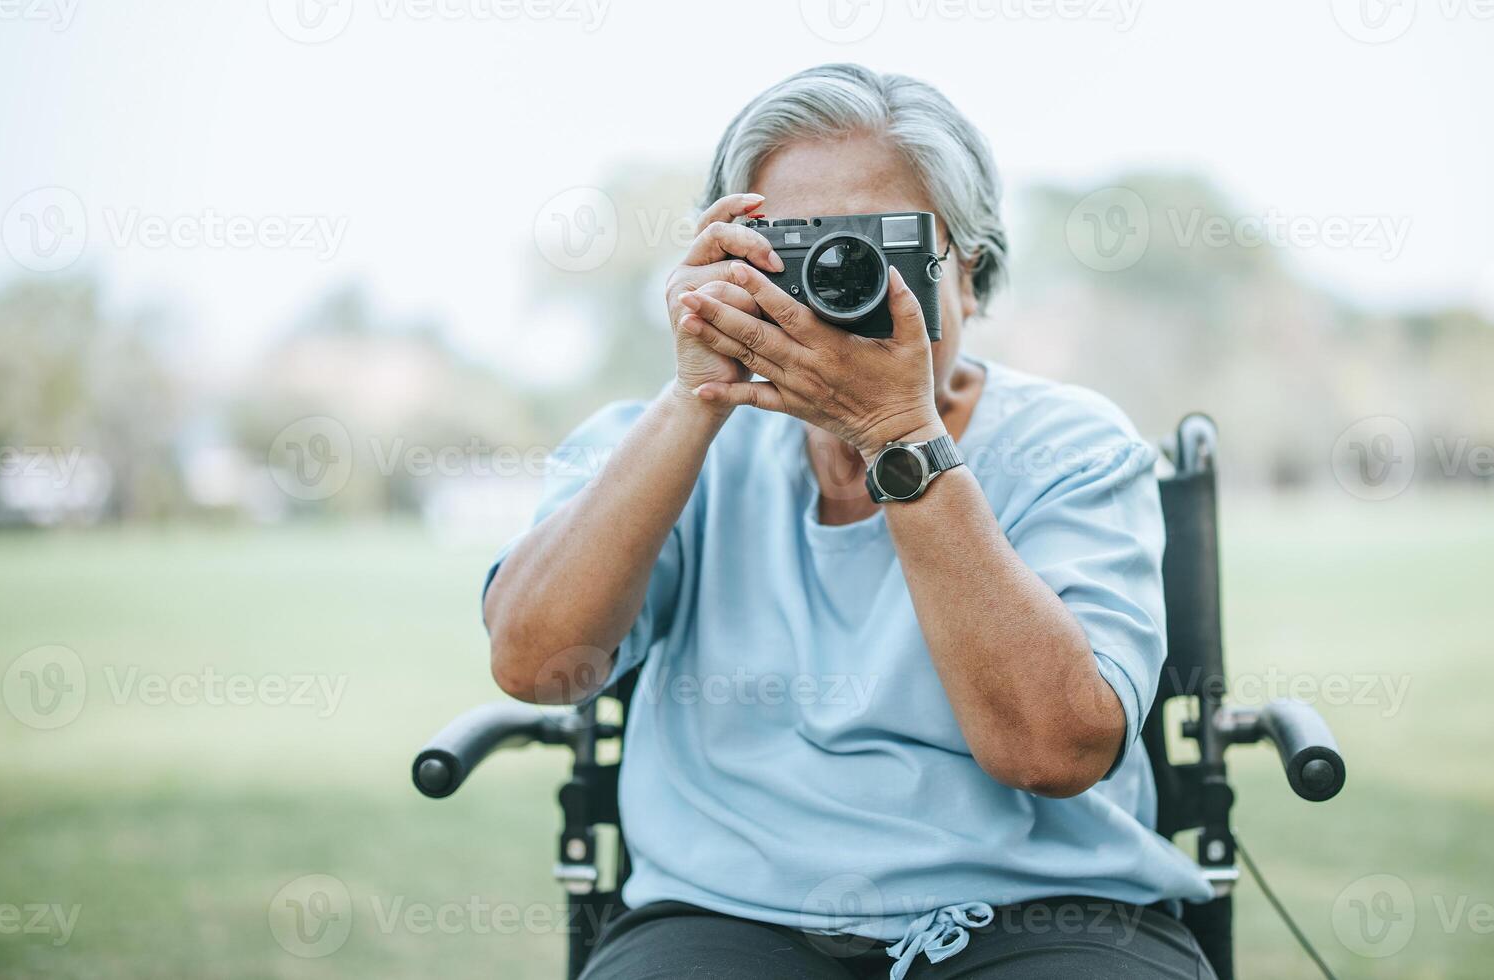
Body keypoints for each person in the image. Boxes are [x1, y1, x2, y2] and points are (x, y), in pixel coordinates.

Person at [483, 63, 1217, 980]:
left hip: (1042, 908)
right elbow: (534, 664)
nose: (836, 280)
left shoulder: (1067, 445)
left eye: (881, 248)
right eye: (798, 248)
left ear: (972, 275)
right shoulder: (662, 441)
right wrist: (694, 400)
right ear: (727, 260)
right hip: (725, 914)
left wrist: (895, 437)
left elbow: (1052, 750)